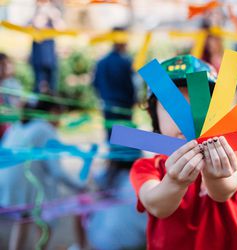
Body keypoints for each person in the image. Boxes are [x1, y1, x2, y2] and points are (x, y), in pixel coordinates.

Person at [130, 55, 237, 249]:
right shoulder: (146, 167)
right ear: (154, 116)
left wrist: (215, 176)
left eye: (199, 105)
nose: (187, 118)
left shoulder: (229, 151)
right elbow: (156, 205)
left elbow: (224, 192)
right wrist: (174, 182)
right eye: (173, 106)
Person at [0, 99, 84, 250]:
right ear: (53, 113)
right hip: (21, 183)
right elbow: (57, 172)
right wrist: (79, 186)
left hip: (6, 180)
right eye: (60, 115)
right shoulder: (45, 129)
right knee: (48, 219)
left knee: (24, 217)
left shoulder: (19, 125)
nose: (60, 121)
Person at [84, 160, 147, 250]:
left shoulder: (110, 177)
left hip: (102, 241)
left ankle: (81, 246)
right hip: (129, 241)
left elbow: (91, 180)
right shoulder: (140, 180)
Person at [92, 26, 137, 140]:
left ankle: (114, 157)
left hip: (107, 104)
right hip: (123, 106)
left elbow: (95, 84)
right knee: (125, 140)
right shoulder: (125, 62)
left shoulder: (101, 62)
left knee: (112, 138)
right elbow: (131, 85)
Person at [30, 0, 64, 94]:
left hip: (50, 56)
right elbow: (37, 24)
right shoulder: (37, 13)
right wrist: (43, 12)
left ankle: (51, 105)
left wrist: (54, 16)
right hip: (38, 57)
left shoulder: (54, 13)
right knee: (38, 84)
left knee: (52, 86)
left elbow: (61, 28)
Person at [0, 52, 23, 140]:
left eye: (6, 64)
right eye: (2, 64)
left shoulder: (13, 84)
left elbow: (16, 111)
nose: (5, 68)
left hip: (9, 130)